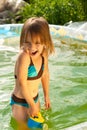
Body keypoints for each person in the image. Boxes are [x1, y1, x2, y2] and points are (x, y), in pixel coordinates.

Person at [10, 17, 54, 126]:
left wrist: (46, 96)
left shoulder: (43, 54)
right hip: (20, 102)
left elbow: (45, 75)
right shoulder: (24, 57)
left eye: (37, 43)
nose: (32, 48)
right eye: (27, 43)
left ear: (45, 41)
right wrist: (31, 105)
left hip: (35, 99)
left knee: (38, 127)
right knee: (23, 128)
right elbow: (22, 83)